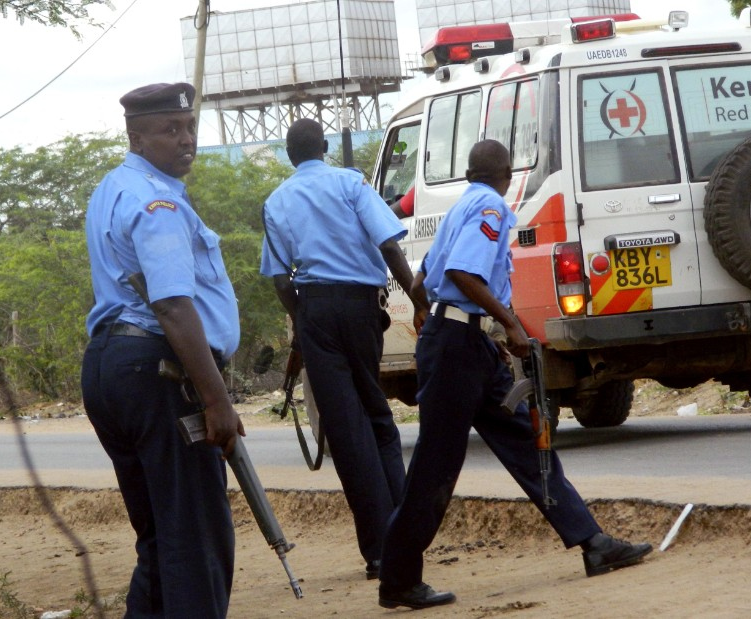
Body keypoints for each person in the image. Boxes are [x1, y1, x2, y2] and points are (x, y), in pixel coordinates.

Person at [376, 140, 652, 610]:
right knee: (435, 465)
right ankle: (398, 579)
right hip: (458, 348)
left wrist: (441, 318)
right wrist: (508, 323)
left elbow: (422, 281)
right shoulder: (491, 206)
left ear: (469, 171)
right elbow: (465, 274)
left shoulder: (460, 206)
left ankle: (593, 543)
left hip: (464, 345)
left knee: (529, 443)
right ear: (506, 173)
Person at [81, 82, 242, 618]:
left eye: (190, 127)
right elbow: (173, 306)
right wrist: (217, 400)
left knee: (160, 539)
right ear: (137, 136)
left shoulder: (113, 186)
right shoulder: (157, 200)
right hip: (158, 372)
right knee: (195, 541)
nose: (185, 139)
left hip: (113, 365)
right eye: (170, 130)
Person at [259, 118, 427, 580]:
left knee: (346, 431)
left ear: (289, 156)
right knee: (376, 416)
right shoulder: (350, 184)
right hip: (359, 308)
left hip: (314, 309)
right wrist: (419, 302)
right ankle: (405, 540)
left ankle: (378, 551)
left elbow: (278, 278)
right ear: (326, 146)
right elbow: (390, 248)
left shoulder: (276, 202)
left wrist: (303, 322)